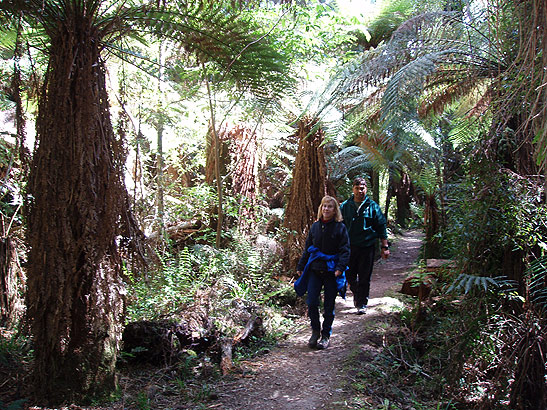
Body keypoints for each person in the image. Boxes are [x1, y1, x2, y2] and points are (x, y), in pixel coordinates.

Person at [295, 195, 350, 350]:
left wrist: (340, 267)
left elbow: (345, 250)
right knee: (312, 301)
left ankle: (326, 335)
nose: (326, 209)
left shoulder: (340, 228)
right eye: (324, 206)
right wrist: (301, 266)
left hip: (331, 272)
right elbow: (308, 248)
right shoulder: (315, 227)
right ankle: (315, 331)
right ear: (321, 208)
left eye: (330, 207)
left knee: (329, 305)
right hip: (315, 269)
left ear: (334, 210)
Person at [340, 177, 390, 315]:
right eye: (357, 188)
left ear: (366, 189)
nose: (359, 191)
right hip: (349, 247)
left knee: (364, 276)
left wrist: (384, 247)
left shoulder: (372, 206)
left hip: (367, 247)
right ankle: (356, 292)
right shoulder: (345, 206)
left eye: (362, 188)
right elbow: (338, 225)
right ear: (353, 189)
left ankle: (362, 303)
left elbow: (381, 226)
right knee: (349, 275)